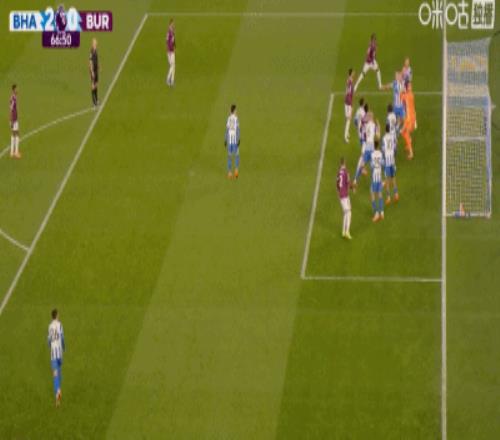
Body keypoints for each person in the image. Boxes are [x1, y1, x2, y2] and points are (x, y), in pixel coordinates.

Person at [48, 308, 65, 407]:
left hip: (53, 355)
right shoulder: (60, 325)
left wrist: (50, 347)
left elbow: (49, 340)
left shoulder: (50, 326)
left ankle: (58, 392)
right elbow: (62, 338)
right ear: (57, 316)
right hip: (59, 354)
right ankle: (59, 392)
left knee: (55, 375)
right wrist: (64, 347)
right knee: (59, 372)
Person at [382, 124, 399, 205]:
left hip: (387, 161)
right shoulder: (392, 137)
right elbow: (395, 148)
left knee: (386, 179)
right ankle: (396, 194)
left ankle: (388, 197)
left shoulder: (384, 138)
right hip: (392, 160)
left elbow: (383, 149)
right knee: (393, 177)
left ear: (385, 130)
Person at [336, 157, 352, 239]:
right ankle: (347, 232)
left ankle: (343, 231)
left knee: (346, 213)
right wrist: (353, 188)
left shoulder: (338, 172)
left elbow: (337, 184)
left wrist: (339, 192)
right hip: (345, 195)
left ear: (340, 163)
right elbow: (348, 183)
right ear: (344, 163)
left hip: (341, 195)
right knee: (348, 213)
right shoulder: (346, 172)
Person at [401, 81, 416, 159]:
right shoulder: (408, 94)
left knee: (406, 133)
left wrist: (403, 91)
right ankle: (408, 142)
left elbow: (401, 98)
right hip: (408, 117)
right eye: (410, 86)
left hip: (410, 118)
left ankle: (411, 153)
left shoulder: (409, 95)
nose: (411, 87)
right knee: (402, 132)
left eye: (411, 85)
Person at [370, 141, 385, 222]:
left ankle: (376, 214)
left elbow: (372, 166)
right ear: (378, 146)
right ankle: (382, 212)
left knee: (372, 194)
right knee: (380, 194)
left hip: (374, 177)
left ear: (374, 146)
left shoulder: (372, 154)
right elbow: (383, 163)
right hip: (379, 176)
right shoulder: (380, 153)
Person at [225, 104, 240, 179]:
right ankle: (236, 171)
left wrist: (225, 139)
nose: (236, 111)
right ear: (234, 110)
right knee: (237, 155)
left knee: (229, 156)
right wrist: (238, 139)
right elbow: (237, 129)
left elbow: (227, 130)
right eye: (236, 110)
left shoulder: (228, 118)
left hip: (229, 140)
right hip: (234, 140)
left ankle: (230, 173)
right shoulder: (236, 118)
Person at [9, 84, 20, 158]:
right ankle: (16, 152)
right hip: (14, 119)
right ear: (13, 90)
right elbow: (11, 109)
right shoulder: (13, 98)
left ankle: (12, 152)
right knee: (16, 134)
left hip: (14, 118)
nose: (17, 90)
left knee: (13, 134)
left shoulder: (14, 97)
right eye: (16, 89)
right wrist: (12, 120)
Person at [344, 68, 355, 143]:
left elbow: (348, 92)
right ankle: (345, 136)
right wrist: (351, 104)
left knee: (348, 118)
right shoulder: (350, 82)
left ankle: (347, 133)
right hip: (348, 102)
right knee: (348, 119)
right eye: (353, 72)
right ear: (351, 73)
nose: (354, 73)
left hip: (347, 101)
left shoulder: (349, 80)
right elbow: (348, 93)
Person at [89, 38, 99, 107]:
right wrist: (92, 71)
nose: (95, 44)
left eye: (96, 43)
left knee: (96, 84)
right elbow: (90, 62)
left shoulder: (96, 50)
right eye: (94, 43)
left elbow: (96, 60)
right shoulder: (91, 52)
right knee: (93, 85)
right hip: (93, 70)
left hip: (96, 70)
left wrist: (98, 66)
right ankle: (94, 102)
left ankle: (97, 99)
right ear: (92, 44)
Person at [166, 19, 176, 87]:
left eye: (173, 24)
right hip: (170, 51)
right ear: (169, 25)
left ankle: (172, 81)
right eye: (172, 24)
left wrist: (175, 47)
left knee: (173, 66)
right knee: (172, 65)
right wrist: (169, 51)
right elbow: (167, 42)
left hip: (172, 50)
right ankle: (167, 79)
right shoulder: (169, 33)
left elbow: (173, 41)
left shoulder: (173, 32)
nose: (173, 25)